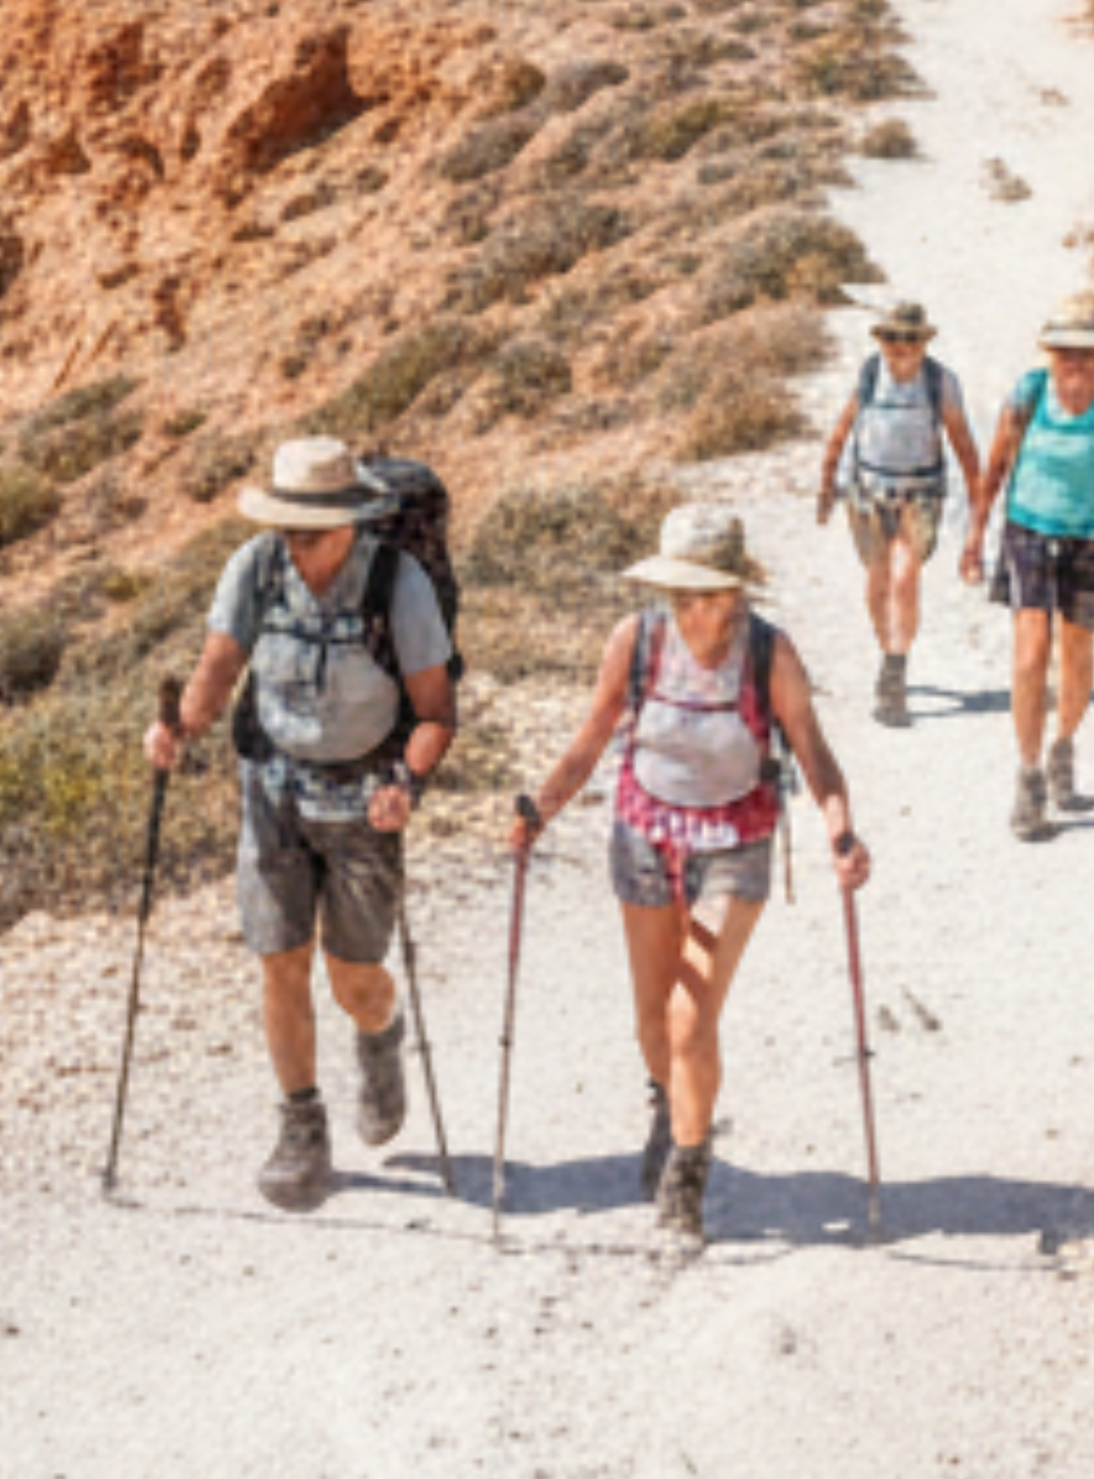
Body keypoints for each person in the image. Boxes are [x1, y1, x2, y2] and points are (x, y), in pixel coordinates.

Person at [506, 505, 870, 1243]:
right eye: (682, 593)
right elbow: (591, 738)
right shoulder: (637, 641)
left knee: (689, 1014)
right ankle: (669, 1111)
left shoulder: (768, 654)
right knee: (651, 1018)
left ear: (736, 590)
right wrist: (538, 810)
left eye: (708, 593)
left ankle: (688, 1170)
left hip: (737, 842)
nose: (694, 609)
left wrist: (841, 832)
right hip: (645, 834)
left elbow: (814, 754)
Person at [146, 436, 456, 1212]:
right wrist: (178, 728)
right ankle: (301, 1128)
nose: (295, 543)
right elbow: (218, 670)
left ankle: (380, 1035)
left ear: (350, 521)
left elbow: (435, 712)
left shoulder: (398, 585)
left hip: (362, 805)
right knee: (280, 961)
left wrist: (407, 782)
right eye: (287, 526)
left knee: (355, 980)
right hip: (273, 791)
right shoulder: (256, 568)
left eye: (310, 530)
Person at [959, 290, 1094, 840]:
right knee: (1030, 653)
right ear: (1050, 352)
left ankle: (1062, 747)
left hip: (1093, 537)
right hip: (1029, 530)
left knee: (1076, 654)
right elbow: (994, 470)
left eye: (1087, 353)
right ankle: (1028, 778)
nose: (1076, 362)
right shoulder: (1028, 392)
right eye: (1066, 351)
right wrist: (974, 540)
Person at [816, 300, 984, 726]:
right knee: (877, 578)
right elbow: (841, 430)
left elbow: (964, 444)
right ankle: (886, 655)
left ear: (924, 342)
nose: (900, 347)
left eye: (909, 339)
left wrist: (978, 506)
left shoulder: (940, 382)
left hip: (920, 493)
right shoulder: (870, 374)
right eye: (891, 338)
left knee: (905, 577)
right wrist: (826, 484)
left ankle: (895, 670)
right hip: (867, 491)